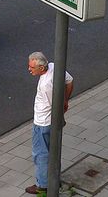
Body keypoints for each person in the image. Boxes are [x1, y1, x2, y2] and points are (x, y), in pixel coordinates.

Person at [25, 52, 74, 195]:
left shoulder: (47, 86)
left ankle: (42, 185)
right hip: (51, 123)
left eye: (32, 67)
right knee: (53, 152)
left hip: (42, 123)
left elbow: (55, 105)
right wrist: (66, 99)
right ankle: (54, 179)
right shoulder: (53, 66)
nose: (29, 69)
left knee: (40, 154)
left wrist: (61, 105)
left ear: (41, 68)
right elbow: (69, 81)